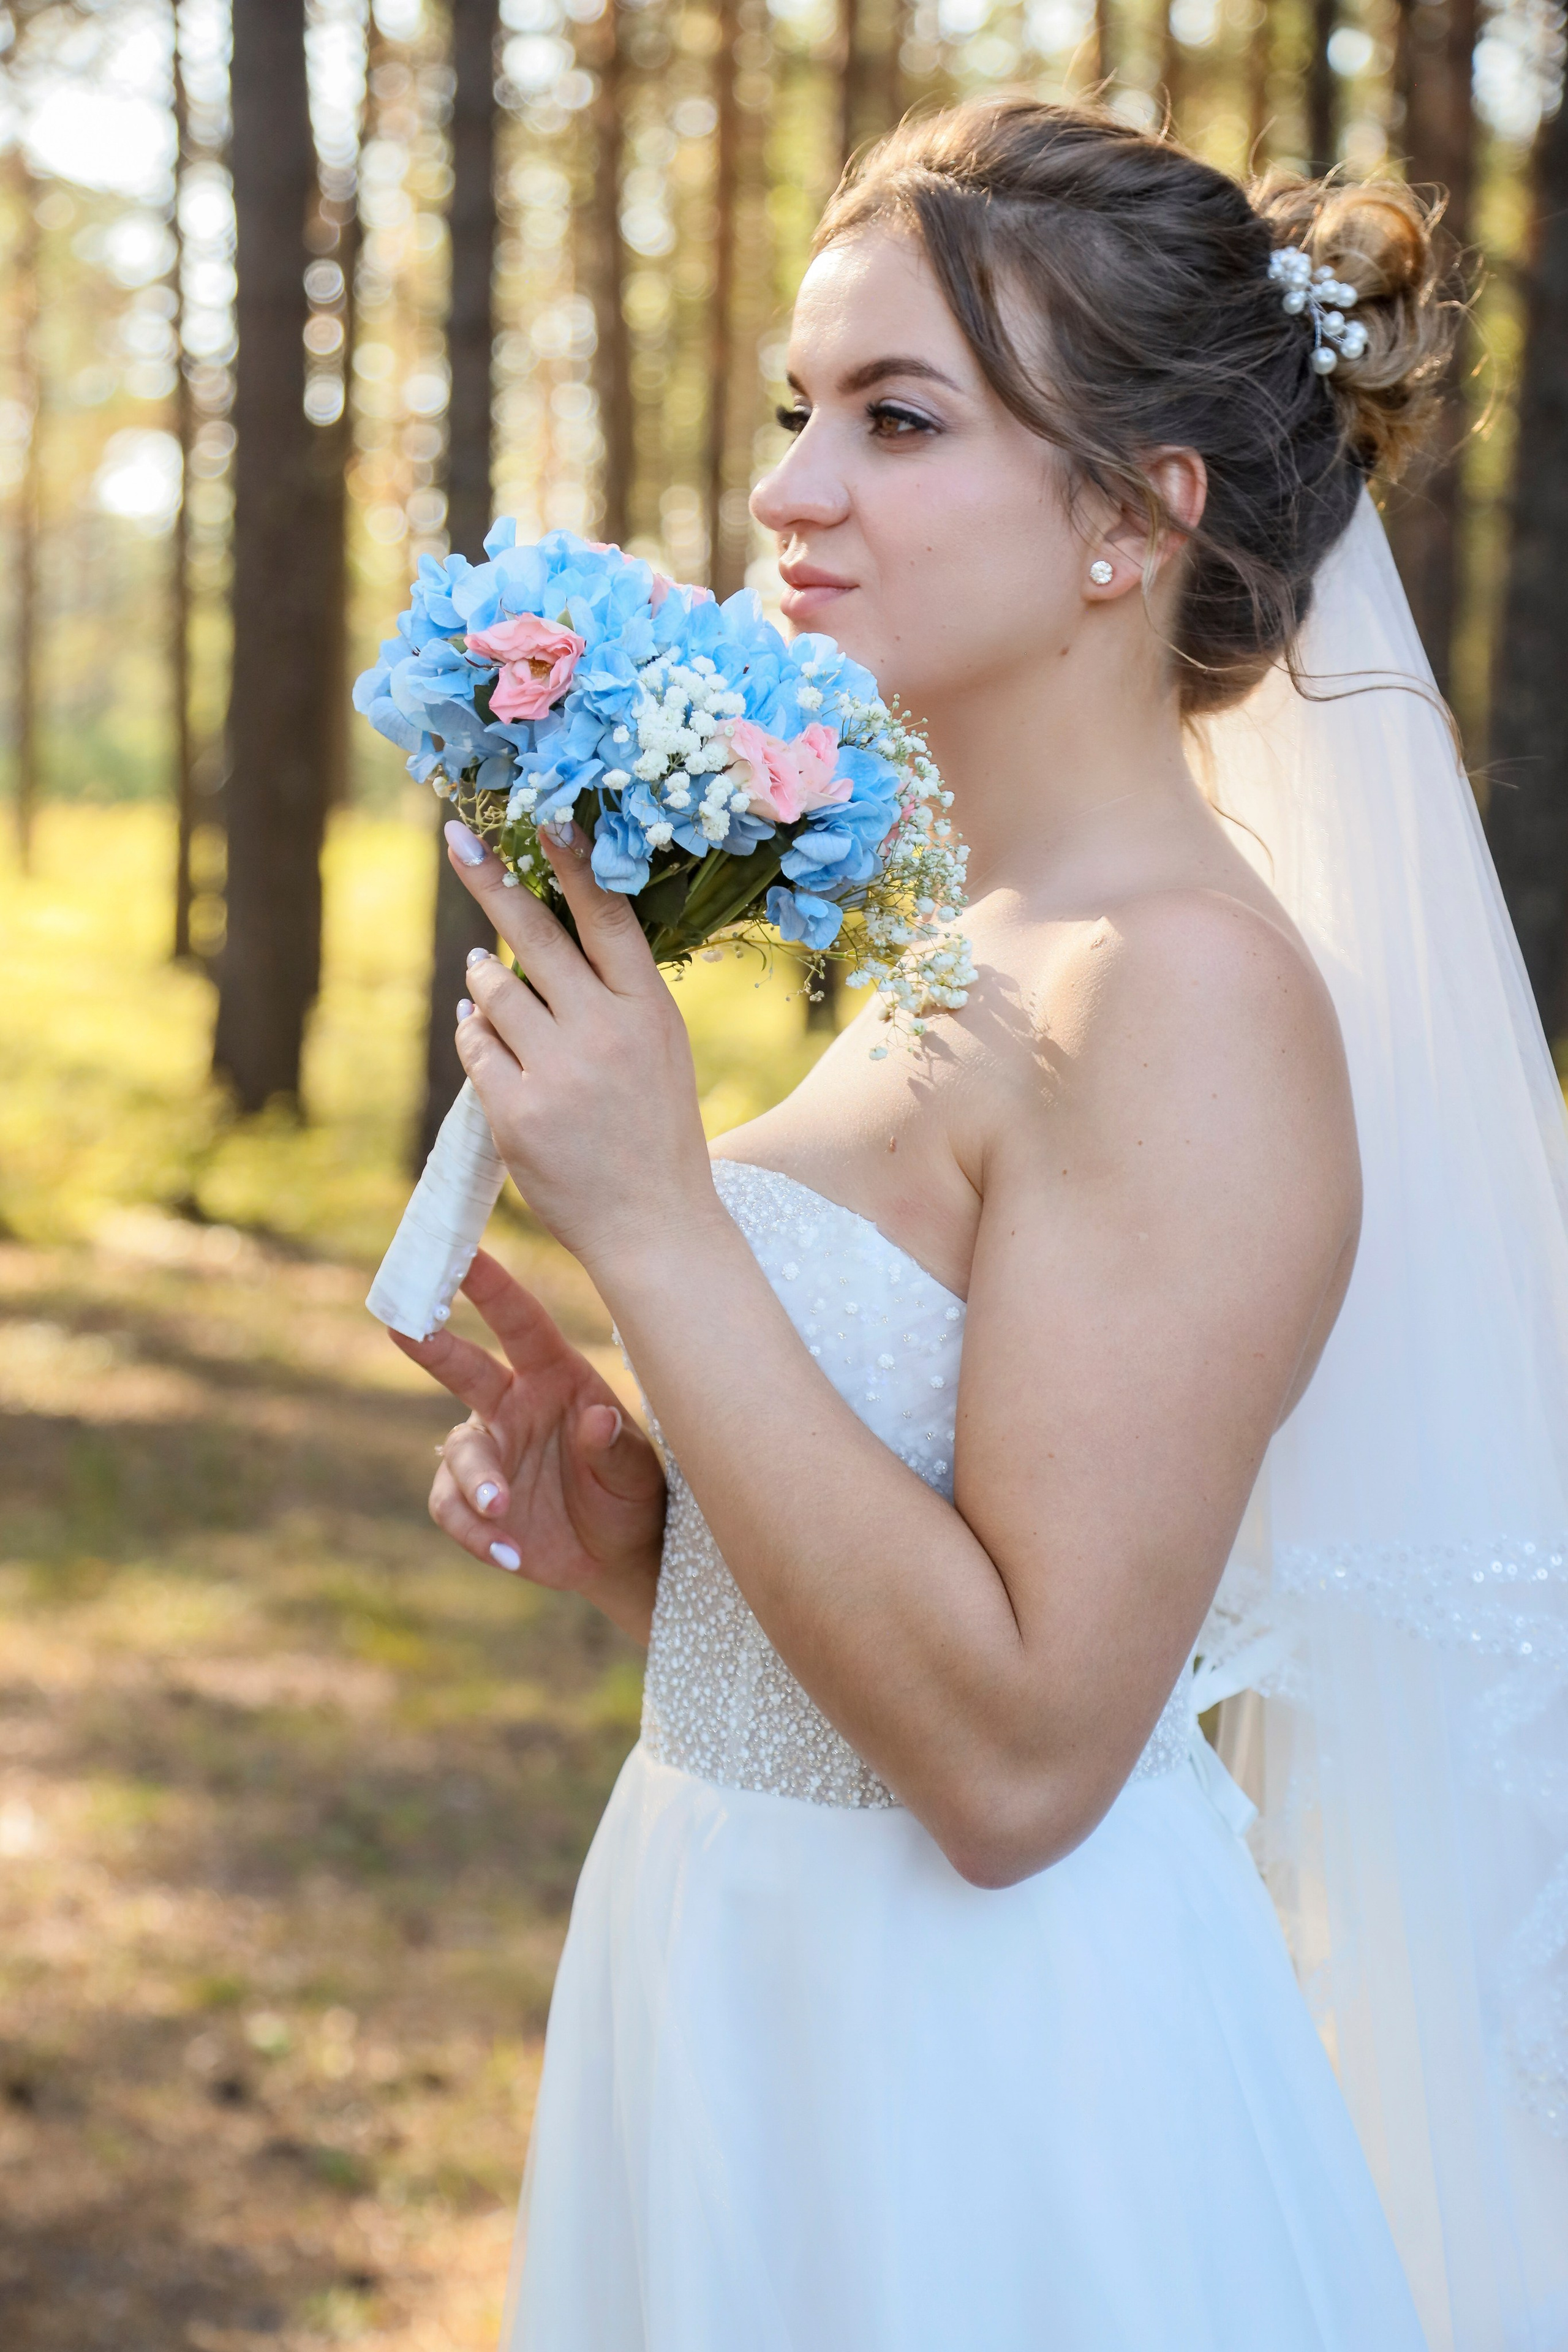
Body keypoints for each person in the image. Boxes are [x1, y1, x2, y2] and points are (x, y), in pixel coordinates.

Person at [398, 99, 1568, 2351]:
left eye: (895, 419)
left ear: (1137, 515)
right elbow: (921, 1560)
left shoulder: (1191, 994)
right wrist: (655, 1531)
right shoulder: (974, 939)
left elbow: (1030, 1760)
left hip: (983, 2091)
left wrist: (659, 1223)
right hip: (735, 1979)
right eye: (797, 409)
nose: (787, 489)